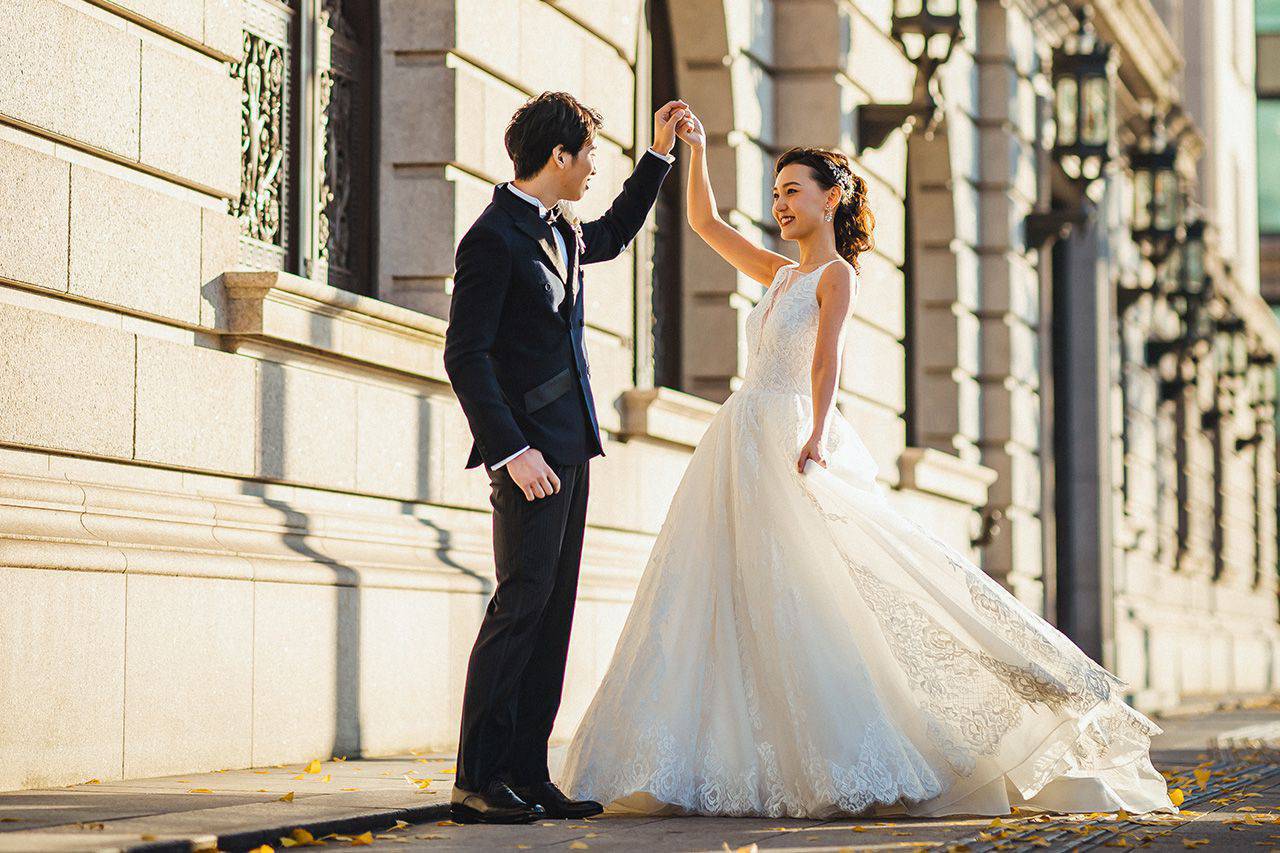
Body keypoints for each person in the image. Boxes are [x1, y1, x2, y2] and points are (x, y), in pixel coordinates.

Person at [557, 111, 1180, 820]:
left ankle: (863, 742)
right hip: (739, 436)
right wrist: (691, 151)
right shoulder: (780, 272)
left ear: (832, 198)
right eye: (776, 192)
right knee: (727, 590)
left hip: (788, 432)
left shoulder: (836, 275)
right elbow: (704, 224)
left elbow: (828, 359)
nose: (781, 203)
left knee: (813, 591)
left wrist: (818, 432)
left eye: (794, 190)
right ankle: (718, 754)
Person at [442, 91, 689, 824]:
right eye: (589, 156)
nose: (591, 170)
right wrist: (508, 449)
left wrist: (659, 157)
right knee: (519, 605)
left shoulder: (563, 230)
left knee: (551, 614)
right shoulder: (492, 238)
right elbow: (465, 355)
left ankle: (525, 770)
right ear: (559, 156)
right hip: (528, 457)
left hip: (570, 447)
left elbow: (612, 232)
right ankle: (477, 780)